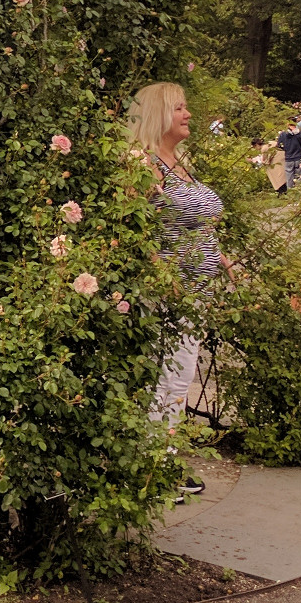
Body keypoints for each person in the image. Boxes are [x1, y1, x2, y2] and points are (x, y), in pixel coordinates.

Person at [127, 83, 227, 489]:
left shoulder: (178, 161)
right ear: (157, 114)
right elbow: (137, 231)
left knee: (180, 378)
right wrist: (167, 283)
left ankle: (163, 463)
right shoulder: (144, 163)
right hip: (170, 295)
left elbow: (195, 219)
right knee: (165, 379)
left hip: (194, 292)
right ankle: (154, 469)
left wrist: (217, 256)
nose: (188, 115)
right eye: (179, 108)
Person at [276, 119, 301, 188]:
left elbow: (278, 145)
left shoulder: (283, 134)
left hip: (288, 158)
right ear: (296, 123)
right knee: (300, 176)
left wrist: (285, 149)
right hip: (299, 157)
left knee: (289, 177)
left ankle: (290, 193)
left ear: (288, 124)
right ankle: (299, 191)